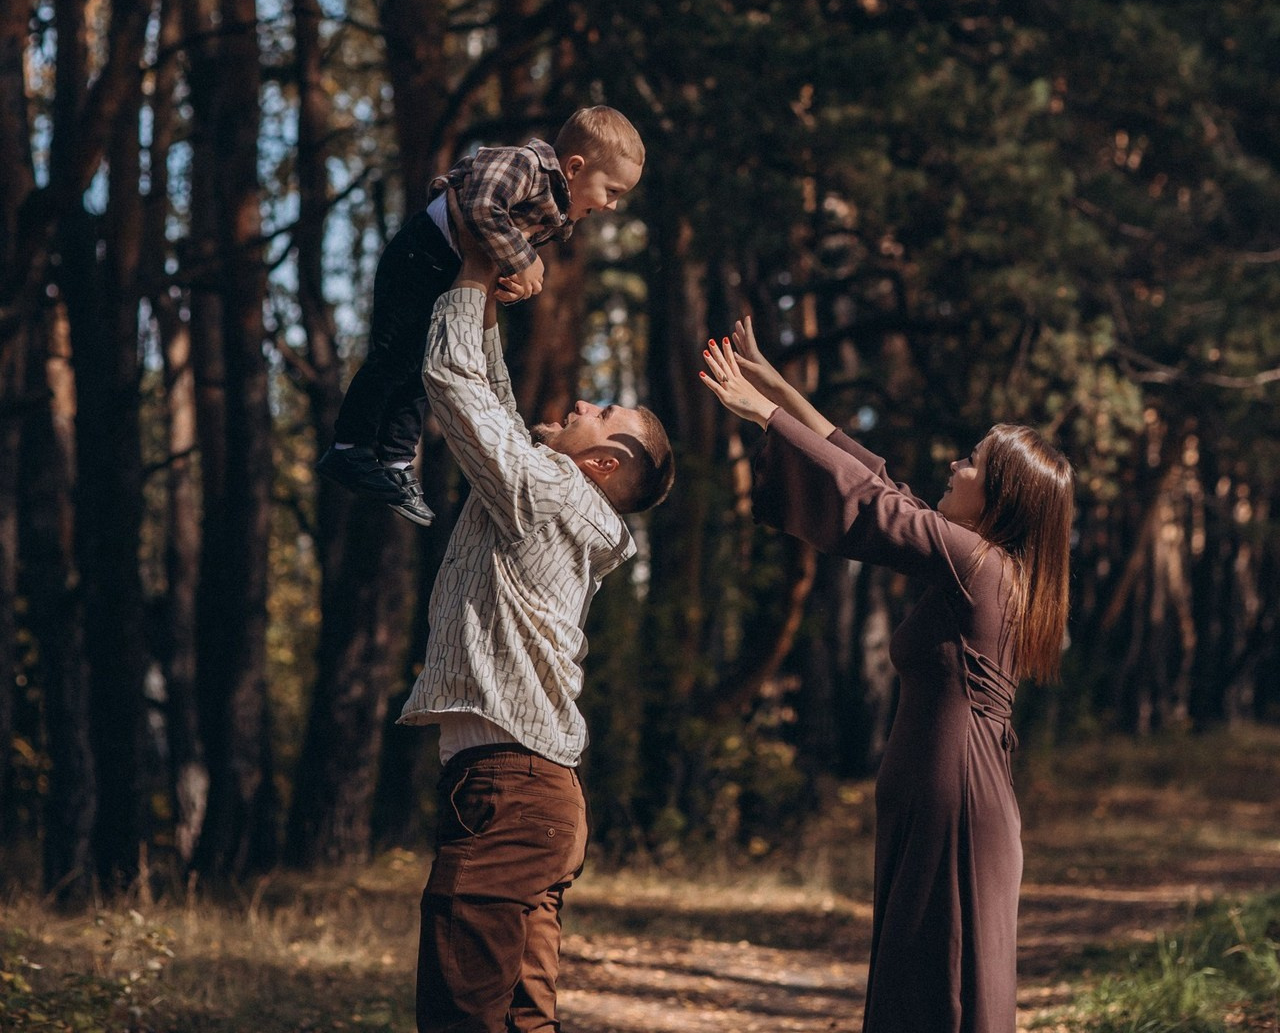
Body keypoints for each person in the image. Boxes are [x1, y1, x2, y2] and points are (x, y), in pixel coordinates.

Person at [700, 318, 1072, 1033]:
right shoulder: (983, 566)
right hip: (945, 798)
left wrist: (766, 416)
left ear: (1002, 498)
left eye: (972, 462)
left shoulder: (983, 568)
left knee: (945, 983)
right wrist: (780, 389)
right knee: (927, 977)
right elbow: (875, 480)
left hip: (957, 803)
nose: (954, 466)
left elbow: (874, 503)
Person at [398, 192, 674, 1033]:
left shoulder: (550, 493)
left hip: (510, 791)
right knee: (522, 1021)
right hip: (534, 793)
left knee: (462, 1016)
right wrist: (486, 290)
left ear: (602, 463)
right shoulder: (555, 494)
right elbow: (493, 402)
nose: (582, 402)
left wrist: (474, 270)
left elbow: (454, 386)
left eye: (601, 411)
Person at [317, 105, 646, 526]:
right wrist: (523, 258)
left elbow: (495, 251)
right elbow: (480, 206)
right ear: (575, 167)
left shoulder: (557, 213)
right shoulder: (526, 166)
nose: (612, 206)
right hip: (420, 256)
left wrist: (510, 283)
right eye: (612, 191)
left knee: (420, 368)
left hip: (448, 269)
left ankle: (395, 461)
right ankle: (349, 448)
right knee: (393, 356)